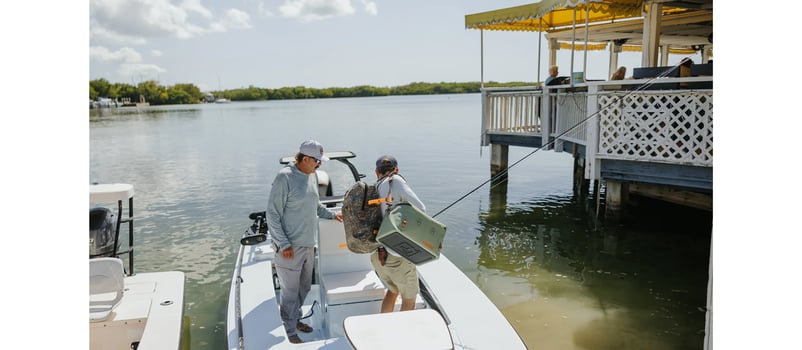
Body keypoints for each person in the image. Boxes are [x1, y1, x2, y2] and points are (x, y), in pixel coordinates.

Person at [266, 140, 343, 344]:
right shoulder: (285, 177)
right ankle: (289, 331)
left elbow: (314, 204)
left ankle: (295, 319)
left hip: (309, 244)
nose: (320, 165)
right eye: (318, 161)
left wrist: (332, 215)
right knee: (290, 292)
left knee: (304, 288)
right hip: (289, 247)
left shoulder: (312, 175)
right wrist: (283, 244)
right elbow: (272, 214)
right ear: (306, 159)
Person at [370, 155, 425, 313]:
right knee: (409, 299)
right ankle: (402, 335)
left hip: (377, 254)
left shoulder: (375, 187)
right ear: (397, 170)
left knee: (393, 291)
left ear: (376, 171)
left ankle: (385, 326)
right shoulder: (397, 181)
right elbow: (421, 209)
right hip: (397, 254)